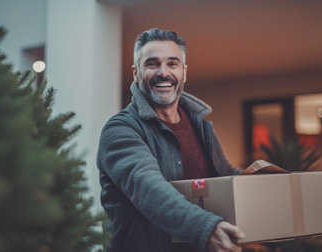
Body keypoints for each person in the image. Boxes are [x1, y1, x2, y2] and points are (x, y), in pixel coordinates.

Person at [97, 28, 245, 252]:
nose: (163, 73)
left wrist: (272, 181)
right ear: (136, 73)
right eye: (152, 64)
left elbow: (226, 175)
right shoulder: (120, 130)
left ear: (184, 72)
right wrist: (205, 227)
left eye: (172, 64)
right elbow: (148, 187)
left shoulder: (199, 126)